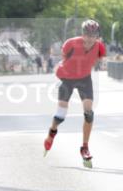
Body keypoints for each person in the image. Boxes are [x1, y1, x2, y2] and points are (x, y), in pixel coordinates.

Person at [44, 19, 107, 167]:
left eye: (93, 35)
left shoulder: (99, 47)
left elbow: (98, 61)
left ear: (97, 35)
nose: (90, 38)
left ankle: (84, 147)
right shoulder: (70, 44)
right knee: (60, 116)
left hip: (84, 79)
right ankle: (51, 133)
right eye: (87, 34)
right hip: (67, 78)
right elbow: (64, 60)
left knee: (89, 113)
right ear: (82, 34)